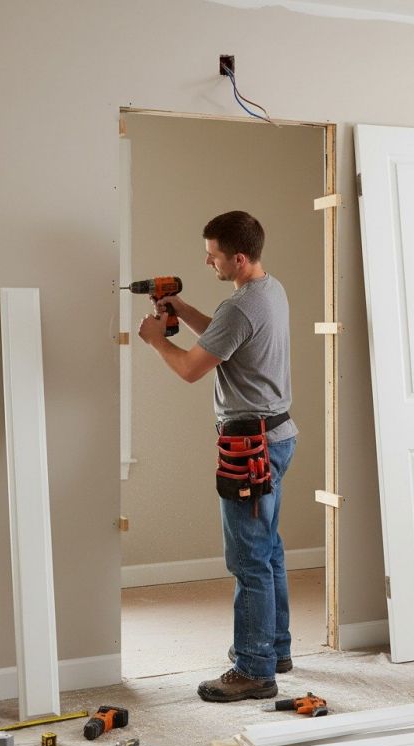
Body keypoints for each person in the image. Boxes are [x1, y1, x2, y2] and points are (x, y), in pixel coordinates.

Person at [137, 210, 298, 702]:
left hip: (250, 446)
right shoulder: (269, 291)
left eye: (214, 256)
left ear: (239, 257)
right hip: (278, 435)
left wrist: (157, 340)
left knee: (247, 557)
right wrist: (182, 310)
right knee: (267, 549)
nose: (207, 262)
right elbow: (226, 338)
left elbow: (191, 367)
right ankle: (273, 648)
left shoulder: (239, 308)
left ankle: (254, 670)